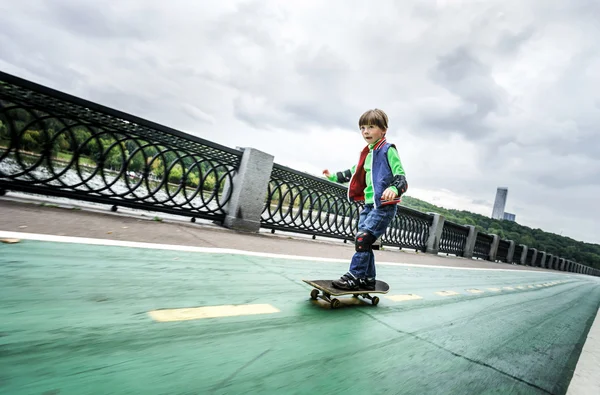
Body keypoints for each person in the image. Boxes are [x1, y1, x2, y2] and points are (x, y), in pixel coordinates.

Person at [323, 109, 408, 291]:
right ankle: (368, 278)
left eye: (371, 127)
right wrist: (333, 177)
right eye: (362, 128)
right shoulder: (368, 153)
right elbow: (352, 172)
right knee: (365, 242)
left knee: (363, 239)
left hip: (384, 206)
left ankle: (354, 276)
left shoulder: (388, 149)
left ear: (383, 130)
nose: (366, 131)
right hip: (370, 206)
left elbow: (401, 177)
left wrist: (394, 188)